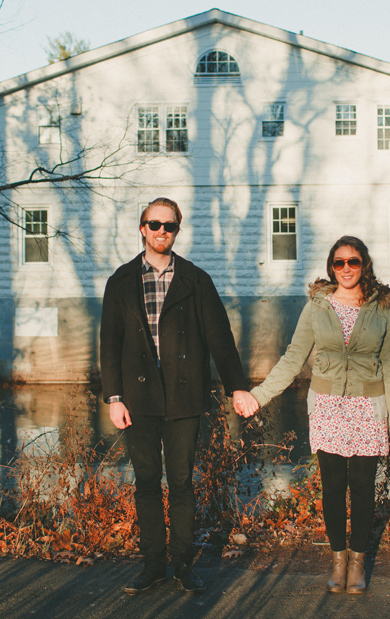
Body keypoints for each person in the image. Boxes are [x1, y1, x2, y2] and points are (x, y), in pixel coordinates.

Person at [233, 236, 390, 594]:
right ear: (332, 266)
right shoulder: (318, 306)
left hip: (367, 409)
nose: (346, 269)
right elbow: (293, 358)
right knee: (332, 488)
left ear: (364, 265)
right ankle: (338, 558)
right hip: (327, 407)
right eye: (339, 262)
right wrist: (258, 396)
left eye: (353, 262)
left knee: (361, 488)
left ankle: (357, 562)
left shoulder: (381, 308)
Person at [100, 197, 252, 595]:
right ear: (142, 228)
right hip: (137, 399)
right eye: (154, 224)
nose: (161, 231)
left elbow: (220, 337)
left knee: (182, 482)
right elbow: (109, 344)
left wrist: (237, 385)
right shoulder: (120, 281)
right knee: (147, 481)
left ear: (177, 230)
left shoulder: (195, 280)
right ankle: (152, 565)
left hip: (185, 398)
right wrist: (113, 398)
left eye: (169, 225)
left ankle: (184, 566)